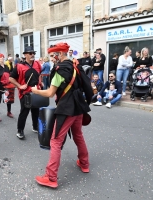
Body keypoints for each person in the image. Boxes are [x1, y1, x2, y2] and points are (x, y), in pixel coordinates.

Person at [32, 42, 91, 188]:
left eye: (53, 55)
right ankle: (84, 164)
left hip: (67, 109)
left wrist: (35, 91)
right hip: (78, 107)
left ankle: (51, 177)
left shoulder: (60, 70)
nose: (52, 58)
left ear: (60, 54)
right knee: (78, 136)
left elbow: (50, 93)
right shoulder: (75, 66)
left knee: (55, 141)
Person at [9, 46, 42, 139]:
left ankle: (35, 127)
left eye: (33, 53)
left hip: (36, 92)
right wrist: (19, 86)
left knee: (36, 111)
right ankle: (20, 131)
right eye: (30, 53)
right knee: (24, 112)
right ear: (25, 55)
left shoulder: (37, 64)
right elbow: (10, 78)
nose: (32, 55)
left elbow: (40, 74)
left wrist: (40, 83)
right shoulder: (19, 66)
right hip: (25, 94)